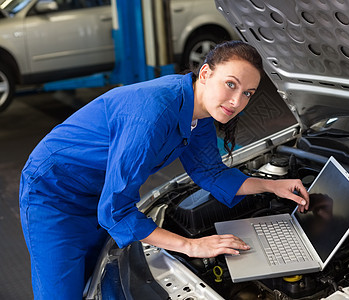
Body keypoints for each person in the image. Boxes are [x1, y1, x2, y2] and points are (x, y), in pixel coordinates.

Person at [19, 40, 309, 299]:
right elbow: (116, 213)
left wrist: (271, 185)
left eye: (248, 93)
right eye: (231, 84)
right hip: (54, 192)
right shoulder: (153, 115)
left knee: (95, 279)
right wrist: (191, 246)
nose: (237, 102)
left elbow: (211, 172)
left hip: (100, 191)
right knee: (61, 292)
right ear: (206, 74)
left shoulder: (202, 115)